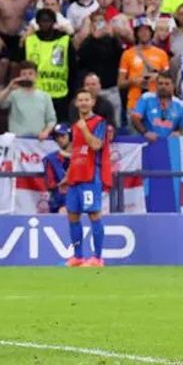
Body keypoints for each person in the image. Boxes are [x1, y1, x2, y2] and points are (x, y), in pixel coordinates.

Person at [62, 89, 112, 267]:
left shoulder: (99, 122)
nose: (83, 103)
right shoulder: (75, 125)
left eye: (86, 100)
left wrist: (84, 130)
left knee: (93, 214)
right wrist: (67, 177)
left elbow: (96, 145)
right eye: (80, 100)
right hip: (75, 177)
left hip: (91, 176)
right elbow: (75, 153)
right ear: (76, 103)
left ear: (92, 103)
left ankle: (97, 258)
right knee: (73, 216)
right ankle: (78, 257)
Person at [0, 62, 57, 137]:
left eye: (30, 74)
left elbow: (51, 120)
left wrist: (46, 132)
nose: (27, 76)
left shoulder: (45, 96)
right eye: (24, 74)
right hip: (17, 140)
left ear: (36, 76)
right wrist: (8, 88)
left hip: (38, 140)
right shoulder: (13, 94)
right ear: (19, 76)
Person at [130, 73, 183, 140]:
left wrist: (178, 132)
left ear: (173, 86)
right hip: (149, 142)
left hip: (170, 144)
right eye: (160, 83)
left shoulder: (178, 103)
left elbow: (182, 126)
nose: (163, 86)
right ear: (156, 85)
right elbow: (135, 118)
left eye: (167, 84)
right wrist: (145, 132)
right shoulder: (146, 97)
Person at [42, 122, 71, 213]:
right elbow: (50, 184)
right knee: (63, 210)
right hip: (60, 202)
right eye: (57, 137)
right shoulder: (51, 159)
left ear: (70, 136)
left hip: (80, 199)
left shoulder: (81, 156)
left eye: (63, 136)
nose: (59, 139)